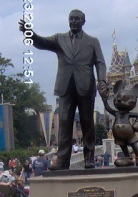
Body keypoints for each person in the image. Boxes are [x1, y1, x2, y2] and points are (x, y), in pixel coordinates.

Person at [19, 9, 108, 170]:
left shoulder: (92, 41)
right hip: (65, 86)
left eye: (76, 19)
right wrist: (29, 34)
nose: (73, 21)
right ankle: (62, 161)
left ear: (83, 22)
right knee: (64, 122)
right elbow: (42, 43)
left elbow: (100, 63)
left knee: (88, 122)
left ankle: (89, 159)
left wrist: (102, 80)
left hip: (86, 86)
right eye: (71, 19)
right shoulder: (60, 39)